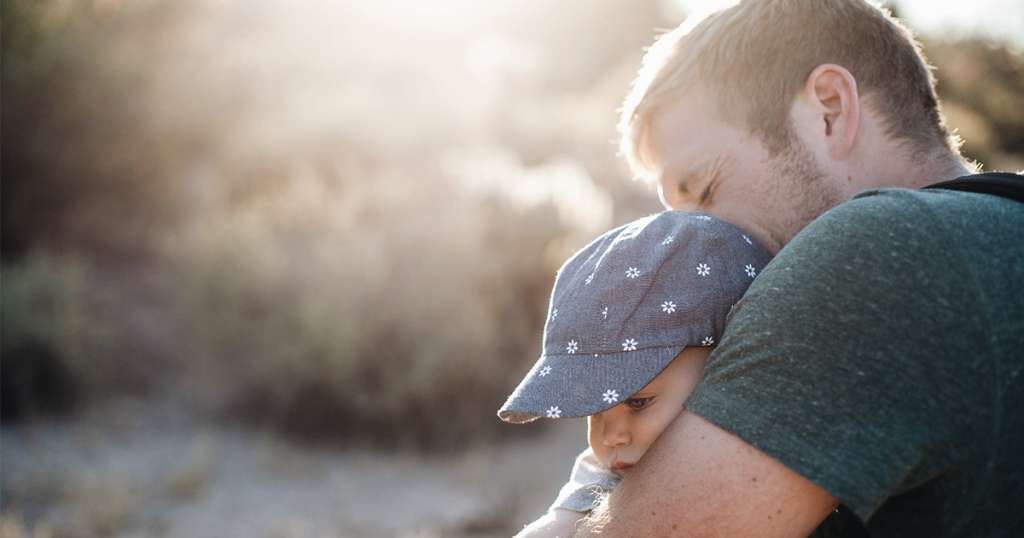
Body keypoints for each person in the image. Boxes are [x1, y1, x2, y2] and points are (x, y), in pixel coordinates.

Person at [560, 0, 1024, 536]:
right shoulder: (997, 232)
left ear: (829, 108)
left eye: (706, 189)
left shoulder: (873, 252)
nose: (689, 246)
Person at [497, 211, 772, 537]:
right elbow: (559, 525)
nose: (610, 437)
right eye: (595, 411)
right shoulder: (610, 473)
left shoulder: (765, 447)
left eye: (638, 402)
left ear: (724, 361)